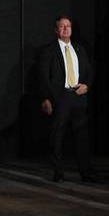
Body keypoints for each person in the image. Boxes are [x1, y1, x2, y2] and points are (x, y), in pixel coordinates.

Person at [35, 16, 95, 182]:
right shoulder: (48, 51)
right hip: (60, 97)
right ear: (56, 30)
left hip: (79, 96)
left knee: (82, 136)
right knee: (58, 135)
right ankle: (58, 172)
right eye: (61, 27)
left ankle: (86, 172)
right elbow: (42, 76)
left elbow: (89, 72)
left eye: (68, 26)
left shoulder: (80, 49)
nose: (65, 29)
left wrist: (87, 86)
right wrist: (45, 98)